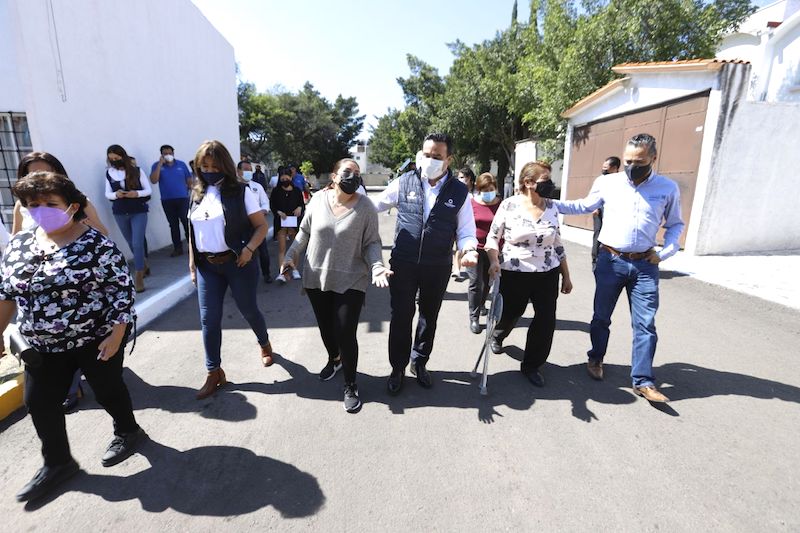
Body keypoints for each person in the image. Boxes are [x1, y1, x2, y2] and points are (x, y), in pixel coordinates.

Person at [0, 171, 144, 503]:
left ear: (72, 206)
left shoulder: (95, 244)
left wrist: (116, 334)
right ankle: (58, 463)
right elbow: (7, 294)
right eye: (33, 204)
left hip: (96, 338)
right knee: (37, 402)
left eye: (51, 203)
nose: (41, 210)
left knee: (107, 390)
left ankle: (128, 430)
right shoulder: (21, 244)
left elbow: (121, 293)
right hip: (42, 347)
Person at [552, 133, 684, 402]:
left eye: (639, 161)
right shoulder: (607, 182)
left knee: (645, 324)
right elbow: (583, 205)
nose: (632, 166)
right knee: (601, 317)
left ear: (653, 159)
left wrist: (665, 252)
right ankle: (595, 358)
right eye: (627, 160)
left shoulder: (667, 188)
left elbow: (675, 225)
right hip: (610, 261)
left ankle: (644, 381)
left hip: (645, 265)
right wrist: (547, 202)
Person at [283, 158, 392, 412]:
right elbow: (304, 233)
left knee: (345, 331)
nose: (353, 176)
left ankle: (351, 384)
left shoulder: (365, 207)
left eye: (357, 172)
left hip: (352, 278)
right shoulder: (318, 201)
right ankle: (334, 359)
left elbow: (372, 243)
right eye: (347, 171)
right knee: (326, 328)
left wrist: (377, 266)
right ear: (334, 177)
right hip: (316, 276)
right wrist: (290, 257)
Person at [373, 133, 478, 394]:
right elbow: (374, 204)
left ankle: (419, 362)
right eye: (426, 154)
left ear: (448, 159)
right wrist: (346, 199)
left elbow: (466, 230)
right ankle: (397, 367)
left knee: (428, 317)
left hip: (437, 265)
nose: (430, 160)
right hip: (404, 262)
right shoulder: (404, 181)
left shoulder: (459, 190)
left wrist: (469, 250)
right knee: (401, 316)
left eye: (437, 157)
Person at [14, 151, 111, 413]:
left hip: (74, 288)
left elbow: (103, 235)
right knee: (40, 399)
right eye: (31, 174)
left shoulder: (75, 203)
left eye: (44, 171)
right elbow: (14, 242)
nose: (38, 178)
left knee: (99, 374)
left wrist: (72, 222)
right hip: (37, 289)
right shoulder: (22, 207)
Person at [188, 141, 273, 399]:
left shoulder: (241, 191)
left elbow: (261, 226)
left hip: (238, 263)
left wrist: (248, 251)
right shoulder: (196, 193)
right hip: (207, 267)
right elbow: (192, 232)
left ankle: (265, 344)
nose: (210, 170)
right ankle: (214, 372)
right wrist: (192, 264)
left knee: (248, 309)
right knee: (208, 320)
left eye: (215, 166)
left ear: (224, 166)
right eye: (205, 166)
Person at [485, 161, 573, 387]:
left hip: (547, 272)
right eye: (546, 181)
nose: (551, 185)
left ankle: (532, 365)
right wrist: (493, 260)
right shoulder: (509, 205)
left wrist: (566, 274)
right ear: (528, 183)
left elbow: (557, 242)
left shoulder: (552, 207)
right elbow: (493, 237)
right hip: (515, 271)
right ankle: (499, 334)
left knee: (545, 319)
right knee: (512, 311)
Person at [13, 152, 109, 236]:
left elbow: (103, 232)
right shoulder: (21, 206)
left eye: (52, 204)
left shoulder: (77, 199)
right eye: (34, 205)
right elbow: (15, 238)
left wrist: (85, 225)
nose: (41, 178)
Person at [104, 145, 151, 293]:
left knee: (137, 243)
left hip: (138, 210)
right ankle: (143, 264)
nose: (114, 161)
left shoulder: (137, 171)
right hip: (119, 212)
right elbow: (107, 193)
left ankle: (138, 276)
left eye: (117, 158)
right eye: (111, 159)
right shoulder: (109, 173)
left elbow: (148, 190)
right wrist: (116, 195)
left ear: (123, 156)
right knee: (131, 243)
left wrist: (135, 194)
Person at [467, 172, 502, 334]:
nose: (488, 192)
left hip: (493, 249)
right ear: (478, 189)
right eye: (484, 189)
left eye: (491, 189)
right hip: (475, 248)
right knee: (475, 282)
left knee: (488, 281)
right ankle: (474, 317)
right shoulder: (471, 203)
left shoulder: (502, 205)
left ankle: (481, 305)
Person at [149, 144, 192, 257]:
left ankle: (192, 247)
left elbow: (189, 180)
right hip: (167, 200)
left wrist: (190, 190)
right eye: (165, 153)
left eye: (170, 153)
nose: (168, 155)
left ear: (173, 153)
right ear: (161, 155)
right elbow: (153, 180)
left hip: (183, 198)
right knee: (173, 225)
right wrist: (159, 164)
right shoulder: (156, 166)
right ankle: (177, 248)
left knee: (186, 222)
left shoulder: (181, 165)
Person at [238, 160, 272, 283]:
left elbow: (265, 202)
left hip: (257, 225)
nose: (248, 172)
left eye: (249, 170)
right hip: (240, 227)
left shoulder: (257, 187)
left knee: (263, 252)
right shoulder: (233, 188)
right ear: (238, 171)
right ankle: (241, 280)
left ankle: (266, 274)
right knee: (241, 253)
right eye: (245, 169)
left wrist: (263, 211)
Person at [270, 167, 305, 283]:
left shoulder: (296, 191)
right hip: (281, 223)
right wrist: (278, 212)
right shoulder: (276, 191)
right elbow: (272, 205)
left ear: (291, 177)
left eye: (287, 177)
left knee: (294, 249)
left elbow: (302, 204)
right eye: (282, 177)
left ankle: (294, 269)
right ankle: (283, 273)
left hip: (294, 223)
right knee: (282, 249)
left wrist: (300, 207)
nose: (285, 179)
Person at [591, 156, 621, 269]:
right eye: (603, 166)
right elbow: (594, 196)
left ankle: (612, 259)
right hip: (600, 210)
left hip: (614, 211)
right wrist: (595, 207)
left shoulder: (620, 180)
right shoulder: (600, 179)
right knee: (598, 234)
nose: (603, 169)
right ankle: (595, 260)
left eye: (606, 167)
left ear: (615, 168)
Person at [452, 167, 477, 281]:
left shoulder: (475, 193)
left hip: (473, 223)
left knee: (465, 245)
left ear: (470, 179)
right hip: (458, 222)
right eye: (459, 177)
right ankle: (457, 269)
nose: (460, 180)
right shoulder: (456, 191)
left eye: (463, 177)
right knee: (458, 246)